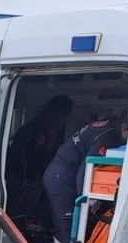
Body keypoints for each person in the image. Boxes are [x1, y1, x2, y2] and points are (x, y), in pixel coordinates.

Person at [41, 115, 128, 243]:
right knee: (71, 231)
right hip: (61, 178)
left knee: (62, 230)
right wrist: (89, 198)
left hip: (57, 174)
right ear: (124, 127)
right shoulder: (109, 135)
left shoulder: (107, 127)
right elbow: (86, 169)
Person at [5, 95, 75, 233]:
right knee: (20, 215)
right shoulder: (36, 130)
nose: (64, 120)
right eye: (63, 116)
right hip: (21, 177)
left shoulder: (45, 128)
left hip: (27, 176)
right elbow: (33, 157)